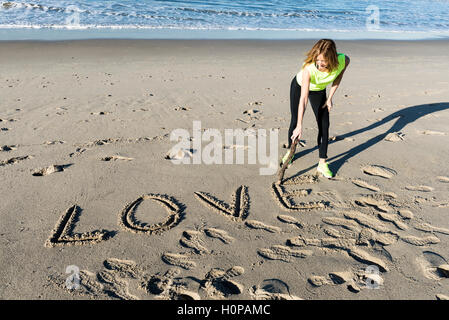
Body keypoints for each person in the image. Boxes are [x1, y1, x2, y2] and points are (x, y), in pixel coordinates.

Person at [282, 39, 350, 178]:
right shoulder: (309, 67)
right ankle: (290, 152)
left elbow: (338, 77)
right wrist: (300, 125)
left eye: (323, 61)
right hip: (300, 88)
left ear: (331, 57)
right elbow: (304, 98)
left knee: (324, 125)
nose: (319, 64)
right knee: (295, 121)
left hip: (319, 91)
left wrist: (330, 98)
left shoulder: (344, 60)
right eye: (317, 60)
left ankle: (322, 163)